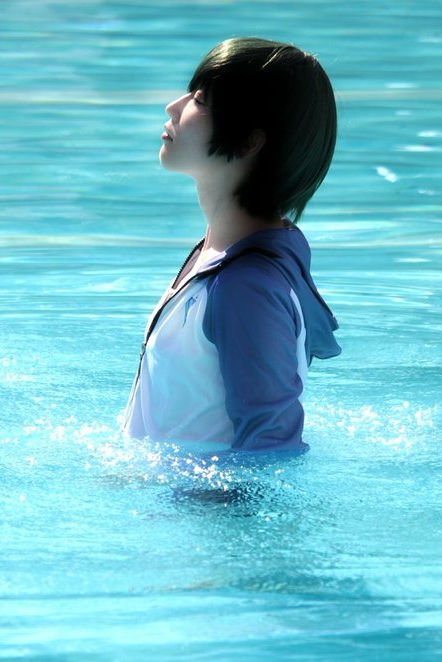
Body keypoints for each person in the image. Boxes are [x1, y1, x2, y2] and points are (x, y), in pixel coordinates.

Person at [122, 37, 341, 454]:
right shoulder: (220, 255)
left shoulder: (247, 285)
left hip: (197, 496)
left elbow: (271, 446)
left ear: (247, 142)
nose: (173, 107)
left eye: (200, 100)